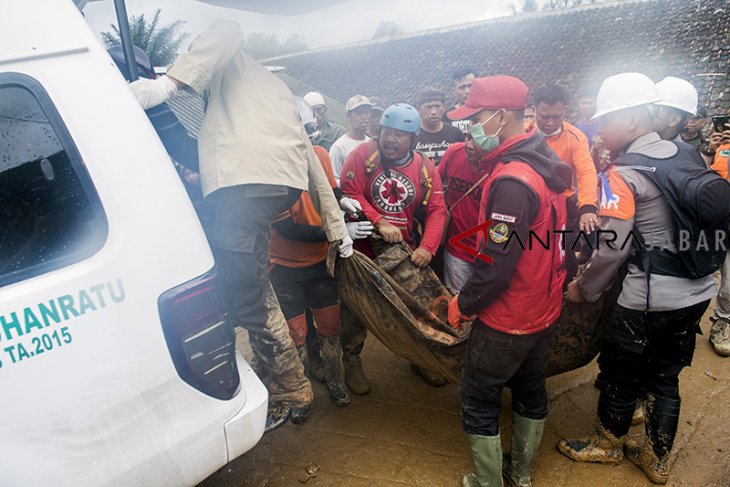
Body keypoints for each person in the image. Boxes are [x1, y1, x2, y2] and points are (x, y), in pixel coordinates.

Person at [128, 20, 353, 431]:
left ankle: (290, 386)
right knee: (250, 286)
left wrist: (169, 84)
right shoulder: (271, 93)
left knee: (245, 298)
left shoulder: (232, 57)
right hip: (266, 189)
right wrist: (336, 225)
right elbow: (304, 156)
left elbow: (227, 28)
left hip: (244, 186)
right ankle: (284, 375)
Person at [558, 73, 717, 485]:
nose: (600, 130)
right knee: (665, 376)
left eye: (605, 121)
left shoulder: (621, 175)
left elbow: (613, 247)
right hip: (697, 291)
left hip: (648, 297)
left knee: (619, 369)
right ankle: (657, 456)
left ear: (632, 121)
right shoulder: (688, 154)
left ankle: (607, 444)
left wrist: (583, 287)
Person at [447, 75, 572, 487]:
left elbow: (496, 264)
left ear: (502, 117)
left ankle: (487, 483)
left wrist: (462, 304)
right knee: (529, 387)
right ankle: (521, 475)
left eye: (476, 117)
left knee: (478, 396)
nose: (471, 127)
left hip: (509, 316)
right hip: (543, 308)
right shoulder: (544, 162)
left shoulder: (513, 182)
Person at [269, 98, 374, 408]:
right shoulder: (273, 168)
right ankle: (300, 392)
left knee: (330, 325)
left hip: (319, 263)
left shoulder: (319, 156)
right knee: (295, 332)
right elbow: (287, 229)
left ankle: (334, 377)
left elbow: (329, 187)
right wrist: (336, 233)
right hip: (285, 265)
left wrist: (342, 202)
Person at [340, 103, 447, 391]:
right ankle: (352, 360)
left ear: (413, 138)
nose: (391, 139)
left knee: (415, 308)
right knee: (355, 308)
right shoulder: (363, 155)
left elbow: (437, 210)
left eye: (400, 134)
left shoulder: (425, 166)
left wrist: (427, 248)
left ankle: (421, 359)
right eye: (387, 132)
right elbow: (350, 192)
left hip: (403, 252)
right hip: (362, 250)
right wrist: (379, 221)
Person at [437, 133, 488, 293]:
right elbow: (435, 182)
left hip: (488, 252)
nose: (469, 145)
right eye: (468, 137)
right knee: (457, 301)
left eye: (477, 140)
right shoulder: (454, 153)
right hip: (457, 247)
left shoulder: (502, 165)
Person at [709, 117, 730, 357]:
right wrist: (710, 152)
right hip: (713, 224)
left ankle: (721, 323)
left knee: (728, 287)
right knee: (699, 277)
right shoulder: (720, 149)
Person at [414, 87, 465, 166]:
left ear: (444, 107)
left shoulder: (456, 134)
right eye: (429, 107)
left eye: (437, 106)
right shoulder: (412, 136)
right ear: (418, 109)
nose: (434, 112)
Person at [329, 95, 373, 182]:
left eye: (367, 112)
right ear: (349, 116)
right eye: (359, 113)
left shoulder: (372, 144)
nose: (364, 117)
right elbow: (334, 180)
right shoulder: (339, 147)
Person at [653, 76, 699, 143]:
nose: (649, 114)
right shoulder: (637, 145)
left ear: (674, 119)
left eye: (656, 109)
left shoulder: (684, 152)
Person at [448, 68, 477, 135]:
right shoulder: (447, 116)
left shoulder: (485, 113)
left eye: (470, 86)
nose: (467, 91)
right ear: (453, 91)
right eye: (462, 87)